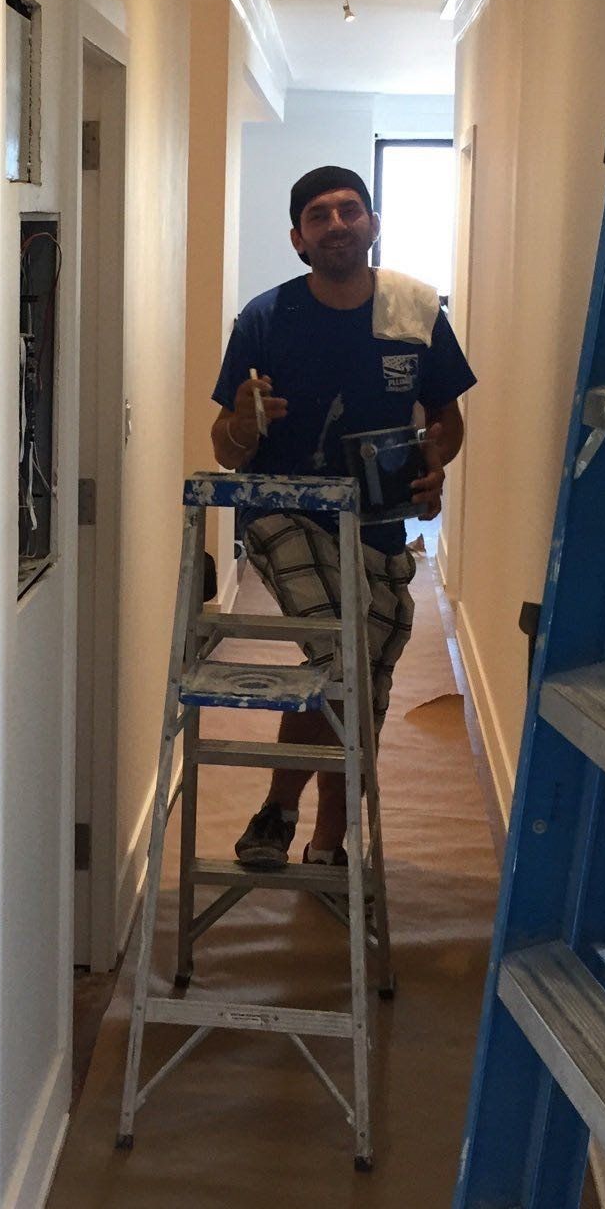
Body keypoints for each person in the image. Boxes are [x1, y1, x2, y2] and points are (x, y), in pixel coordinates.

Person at [210, 164, 476, 871]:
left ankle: (307, 823)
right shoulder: (267, 319)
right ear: (299, 239)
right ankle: (307, 819)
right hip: (282, 516)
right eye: (319, 215)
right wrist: (242, 422)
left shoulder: (413, 311)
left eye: (349, 210)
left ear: (373, 225)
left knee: (361, 668)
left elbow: (447, 420)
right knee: (345, 649)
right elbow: (228, 451)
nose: (337, 223)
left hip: (379, 522)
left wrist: (435, 463)